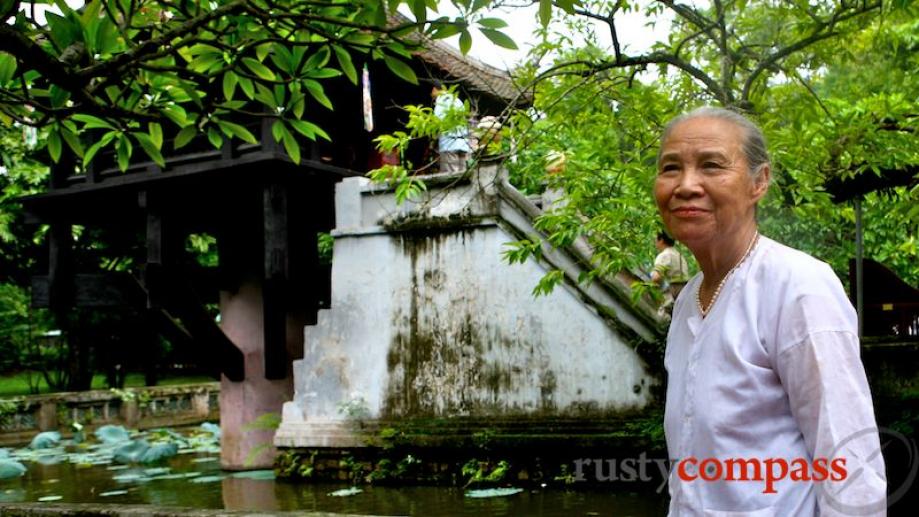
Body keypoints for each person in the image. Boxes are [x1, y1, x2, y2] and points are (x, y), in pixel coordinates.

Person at [655, 107, 886, 515]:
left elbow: (850, 464)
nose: (686, 185)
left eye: (711, 165)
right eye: (671, 168)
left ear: (758, 182)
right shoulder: (689, 299)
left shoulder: (799, 287)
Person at [431, 80, 471, 173]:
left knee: (451, 177)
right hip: (463, 144)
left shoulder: (441, 101)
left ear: (434, 89)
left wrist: (434, 139)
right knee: (462, 176)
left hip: (449, 145)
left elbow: (438, 123)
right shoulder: (457, 100)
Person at [651, 231, 690, 315]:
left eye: (656, 239)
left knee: (662, 318)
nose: (655, 241)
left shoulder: (665, 255)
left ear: (661, 240)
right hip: (686, 292)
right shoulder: (679, 255)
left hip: (673, 291)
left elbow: (656, 277)